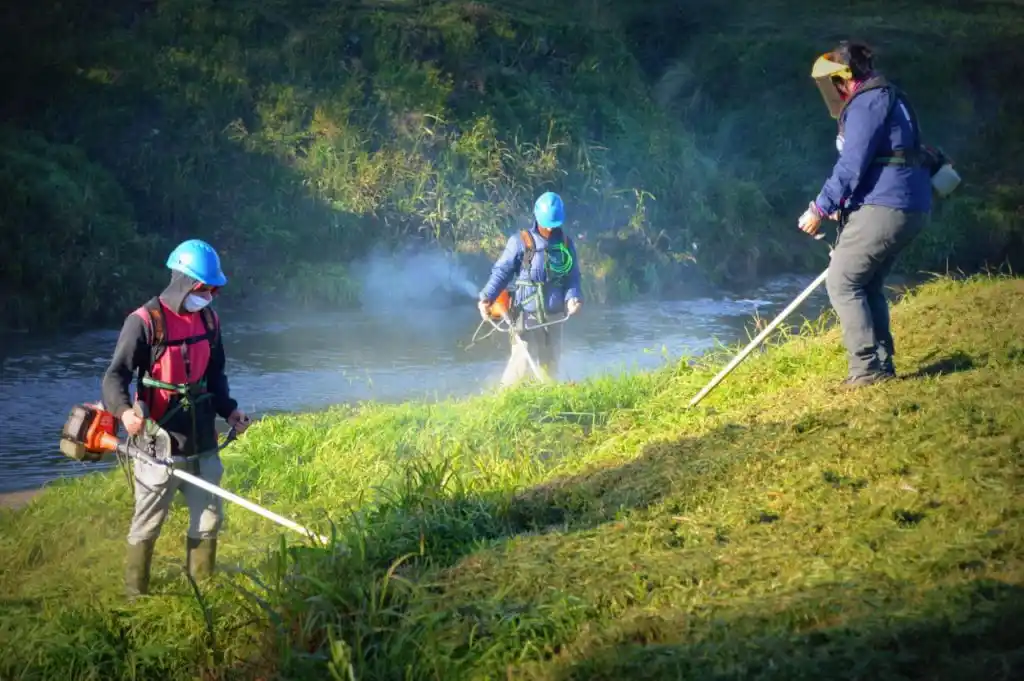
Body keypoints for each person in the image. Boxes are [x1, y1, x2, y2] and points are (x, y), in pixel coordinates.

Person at [101, 238, 250, 598]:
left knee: (210, 517)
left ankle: (202, 588)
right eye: (204, 288)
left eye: (214, 289)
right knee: (148, 523)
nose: (209, 295)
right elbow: (115, 377)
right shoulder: (144, 323)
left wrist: (230, 411)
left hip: (202, 441)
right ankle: (135, 596)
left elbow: (215, 377)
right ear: (184, 282)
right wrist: (124, 413)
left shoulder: (210, 321)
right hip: (157, 444)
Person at [798, 40, 932, 388]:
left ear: (842, 79)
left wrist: (820, 207)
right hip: (907, 203)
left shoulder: (867, 103)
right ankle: (881, 365)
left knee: (842, 282)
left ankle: (867, 370)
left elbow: (852, 163)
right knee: (866, 282)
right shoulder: (889, 95)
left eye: (831, 84)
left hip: (887, 205)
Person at [478, 191, 583, 388]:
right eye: (547, 225)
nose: (550, 230)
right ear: (537, 219)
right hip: (526, 314)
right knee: (522, 361)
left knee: (550, 363)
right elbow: (502, 272)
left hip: (555, 314)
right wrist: (486, 297)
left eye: (554, 225)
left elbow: (573, 277)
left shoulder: (566, 245)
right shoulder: (522, 242)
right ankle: (503, 399)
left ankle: (548, 403)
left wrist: (573, 298)